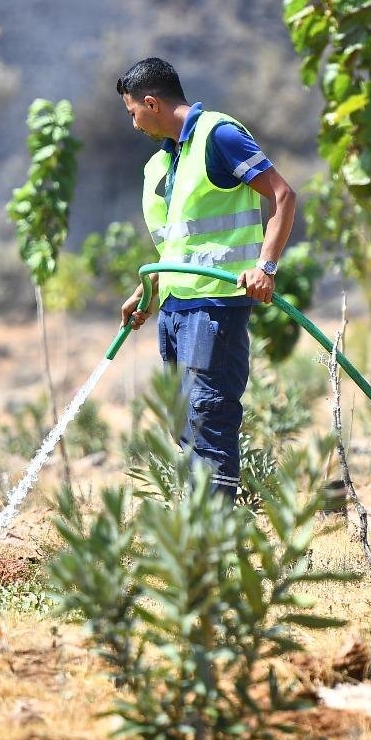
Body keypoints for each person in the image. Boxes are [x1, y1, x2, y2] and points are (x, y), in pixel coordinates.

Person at [116, 57, 298, 501]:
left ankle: (212, 541)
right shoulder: (164, 163)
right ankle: (197, 530)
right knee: (183, 422)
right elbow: (179, 244)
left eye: (132, 111)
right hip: (176, 306)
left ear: (152, 103)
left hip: (214, 306)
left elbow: (283, 194)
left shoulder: (218, 136)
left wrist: (266, 265)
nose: (133, 123)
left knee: (207, 417)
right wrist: (147, 289)